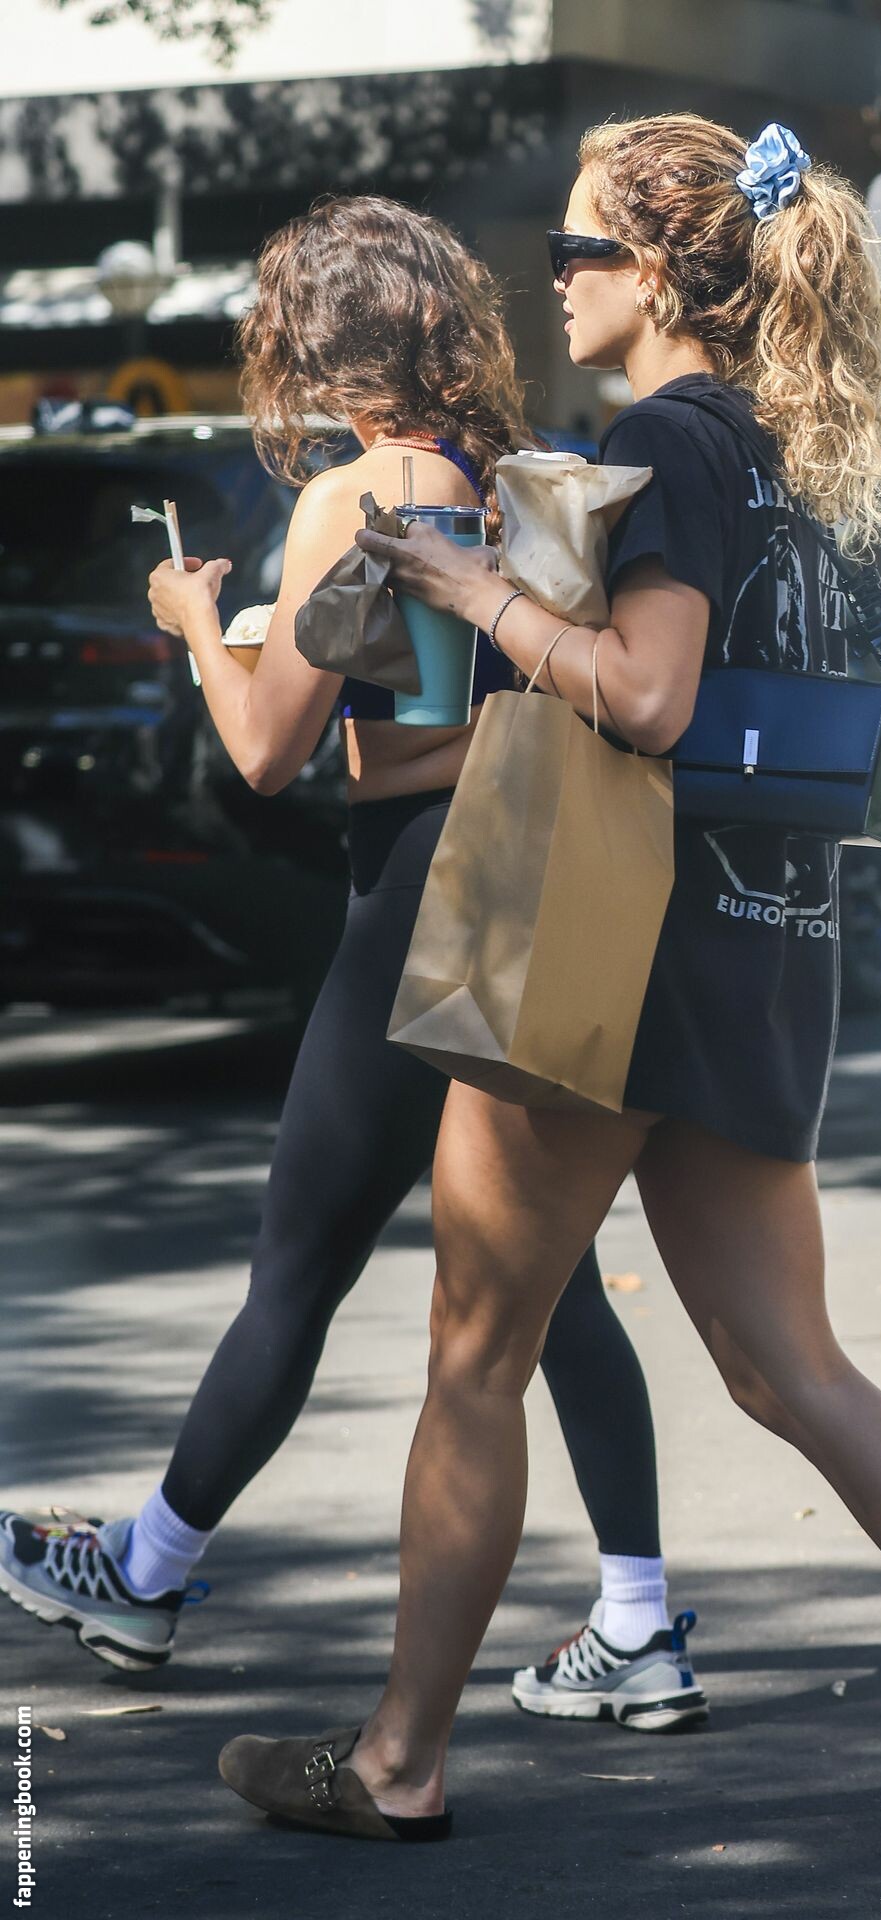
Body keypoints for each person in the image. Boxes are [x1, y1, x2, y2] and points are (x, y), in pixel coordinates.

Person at [218, 119, 881, 1876]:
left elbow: (644, 698)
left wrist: (470, 587)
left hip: (608, 944)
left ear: (652, 274)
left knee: (475, 1352)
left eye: (577, 252)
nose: (551, 280)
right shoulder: (793, 445)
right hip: (759, 944)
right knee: (792, 1364)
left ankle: (398, 1760)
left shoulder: (666, 437)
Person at [0, 195, 708, 1736]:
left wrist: (199, 623)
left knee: (300, 1265)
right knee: (548, 1274)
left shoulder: (355, 494)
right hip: (528, 873)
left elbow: (268, 751)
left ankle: (145, 1572)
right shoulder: (503, 475)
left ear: (319, 346)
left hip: (407, 902)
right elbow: (451, 719)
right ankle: (639, 1616)